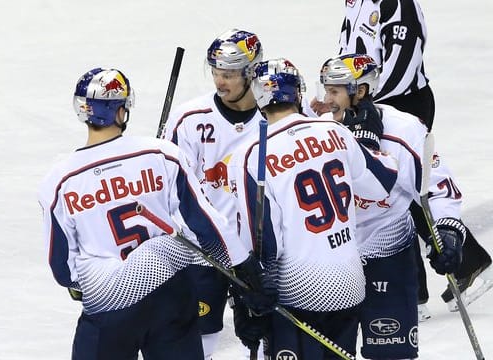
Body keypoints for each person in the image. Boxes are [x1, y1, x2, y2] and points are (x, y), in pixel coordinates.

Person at [37, 67, 276, 360]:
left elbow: (62, 268)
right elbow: (205, 222)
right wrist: (245, 269)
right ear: (120, 111)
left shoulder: (59, 180)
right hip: (169, 295)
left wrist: (83, 284)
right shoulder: (160, 153)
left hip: (109, 303)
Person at [334, 0, 493, 317]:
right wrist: (341, 97)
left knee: (405, 189)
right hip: (367, 105)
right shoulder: (355, 3)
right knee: (387, 191)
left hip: (400, 105)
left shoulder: (397, 5)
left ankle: (468, 266)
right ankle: (417, 288)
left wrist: (366, 104)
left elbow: (404, 63)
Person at [230, 57, 399, 359]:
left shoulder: (252, 154)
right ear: (297, 94)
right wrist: (367, 138)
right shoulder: (335, 131)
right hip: (349, 284)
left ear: (259, 98)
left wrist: (248, 300)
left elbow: (263, 241)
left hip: (298, 293)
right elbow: (381, 181)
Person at [316, 53, 468, 359]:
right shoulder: (318, 130)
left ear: (359, 91)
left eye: (334, 91)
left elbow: (438, 189)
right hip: (333, 261)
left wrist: (448, 233)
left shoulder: (404, 128)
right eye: (325, 90)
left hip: (388, 255)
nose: (326, 100)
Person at [160, 28, 268, 359]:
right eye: (217, 73)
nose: (220, 82)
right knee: (197, 340)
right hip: (203, 251)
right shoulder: (188, 119)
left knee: (268, 341)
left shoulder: (276, 115)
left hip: (260, 253)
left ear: (252, 71)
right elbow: (169, 190)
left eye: (230, 74)